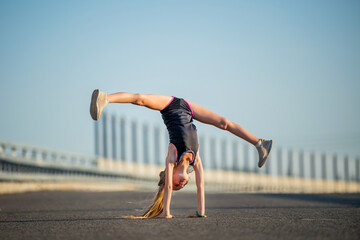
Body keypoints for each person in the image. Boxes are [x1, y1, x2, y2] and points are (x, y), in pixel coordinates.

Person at [89, 89, 273, 219]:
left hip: (170, 106)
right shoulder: (196, 159)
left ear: (171, 176)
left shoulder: (172, 154)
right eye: (182, 186)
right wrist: (201, 212)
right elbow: (201, 187)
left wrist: (166, 212)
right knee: (224, 123)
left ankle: (106, 98)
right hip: (188, 108)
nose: (182, 183)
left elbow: (167, 187)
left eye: (177, 183)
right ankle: (260, 143)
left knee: (140, 99)